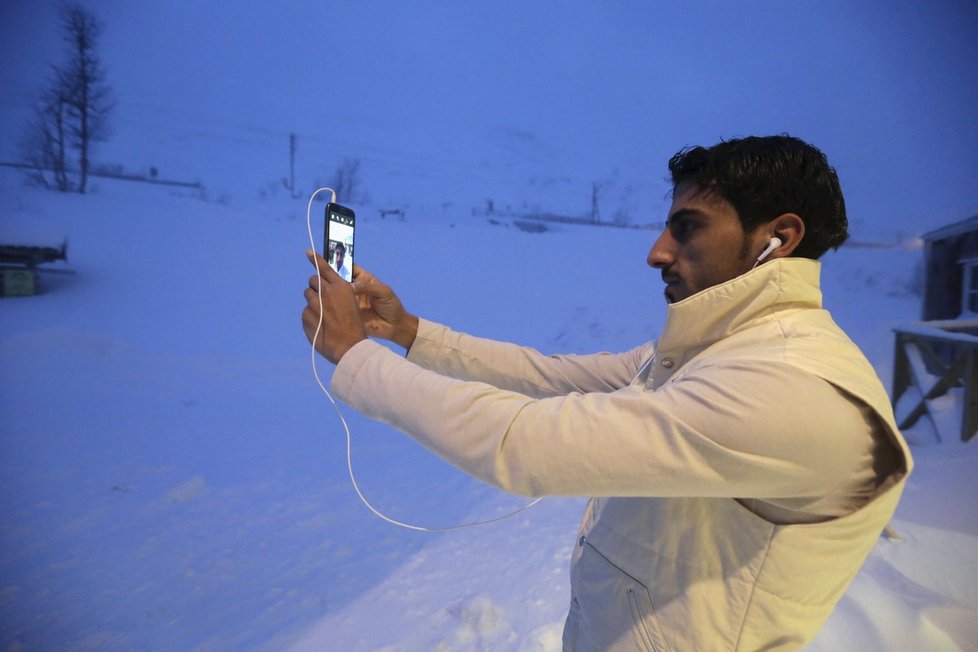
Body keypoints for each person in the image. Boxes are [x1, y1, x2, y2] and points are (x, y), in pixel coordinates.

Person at [301, 135, 912, 651]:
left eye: (687, 226)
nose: (657, 252)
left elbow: (525, 446)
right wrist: (406, 331)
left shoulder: (789, 385)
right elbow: (550, 376)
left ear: (777, 237)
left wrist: (353, 358)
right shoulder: (726, 352)